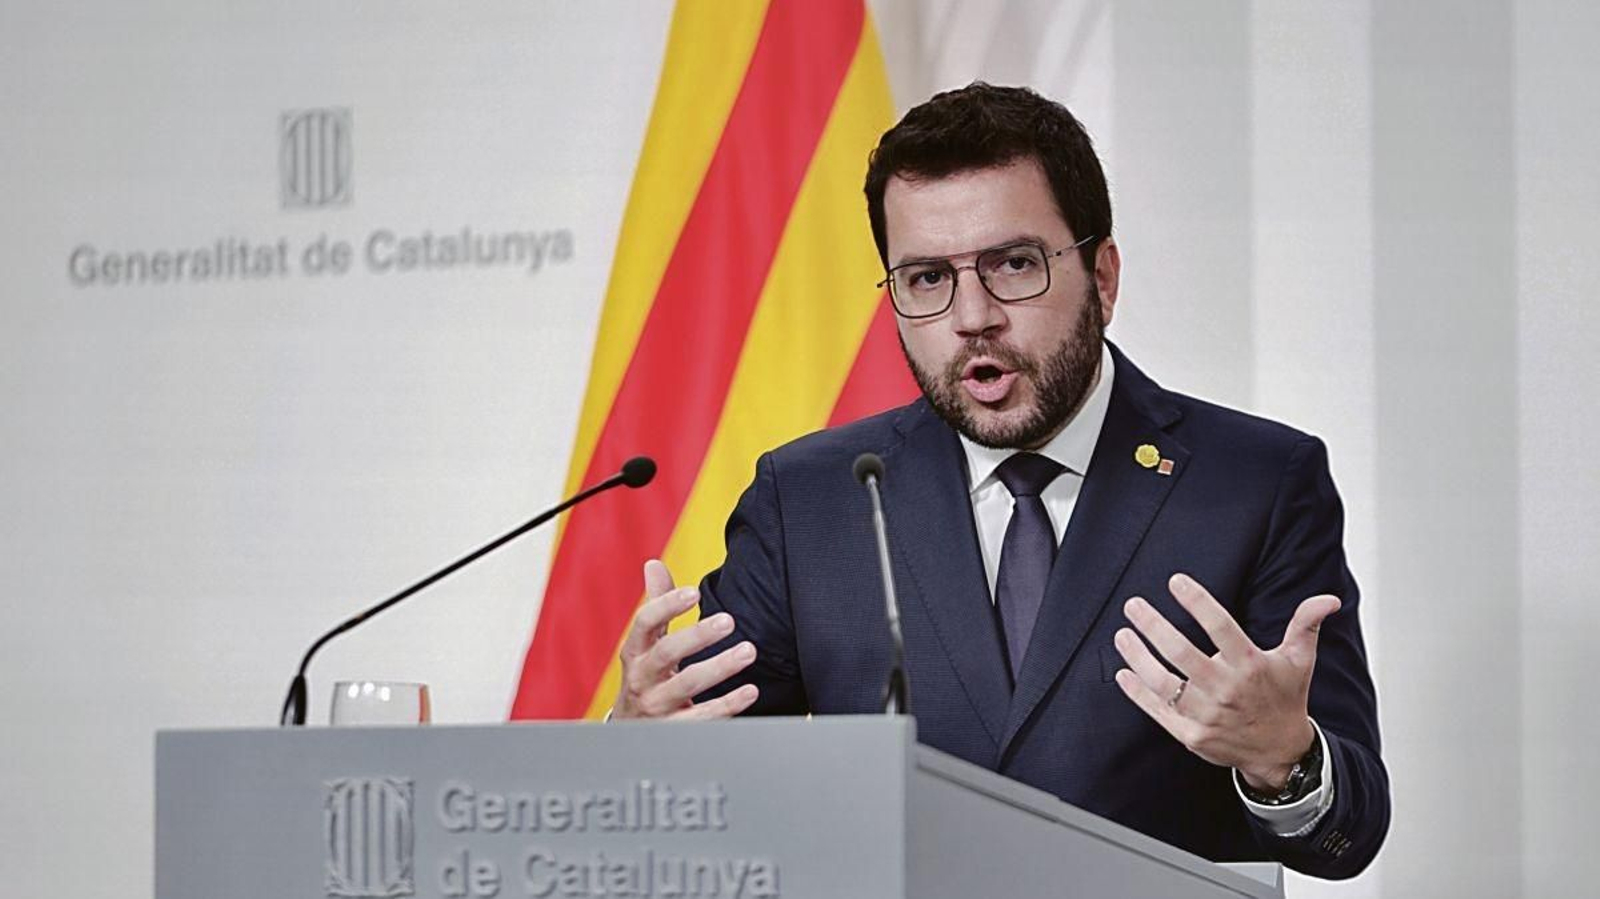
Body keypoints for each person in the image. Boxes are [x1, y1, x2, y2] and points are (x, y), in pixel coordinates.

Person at [610, 83, 1389, 879]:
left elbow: (1349, 832)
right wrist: (638, 740)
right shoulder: (809, 498)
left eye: (1013, 264)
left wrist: (1285, 760)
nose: (971, 315)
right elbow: (699, 789)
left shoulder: (1256, 482)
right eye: (924, 278)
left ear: (1104, 277)